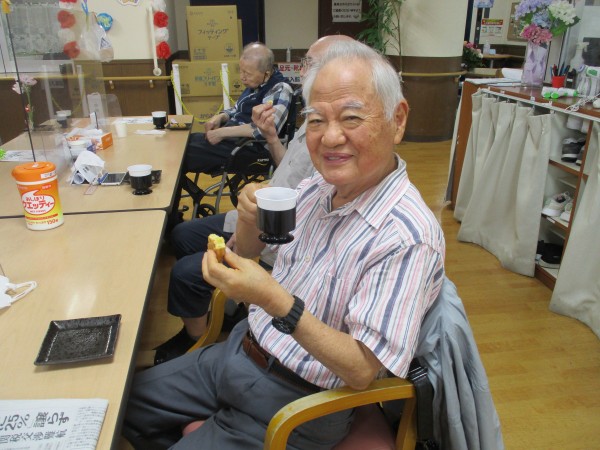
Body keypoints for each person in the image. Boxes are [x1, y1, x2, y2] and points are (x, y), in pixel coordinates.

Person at [123, 40, 446, 450]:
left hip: (297, 399)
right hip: (238, 351)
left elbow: (362, 370)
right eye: (316, 120)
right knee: (119, 407)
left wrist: (274, 300)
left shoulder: (406, 235)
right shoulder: (316, 188)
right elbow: (248, 253)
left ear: (397, 120)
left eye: (351, 118)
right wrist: (248, 220)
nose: (330, 137)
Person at [155, 35, 354, 366]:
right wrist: (273, 138)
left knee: (185, 273)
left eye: (308, 63)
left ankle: (198, 338)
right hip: (262, 213)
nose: (301, 70)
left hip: (273, 229)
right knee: (181, 235)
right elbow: (287, 169)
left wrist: (247, 235)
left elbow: (307, 212)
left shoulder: (331, 138)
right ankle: (216, 308)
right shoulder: (311, 120)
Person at [169, 42, 293, 226]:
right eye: (241, 71)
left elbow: (264, 128)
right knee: (180, 144)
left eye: (247, 73)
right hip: (234, 142)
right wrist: (221, 116)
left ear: (266, 73)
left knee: (178, 157)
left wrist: (222, 133)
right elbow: (237, 109)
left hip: (252, 149)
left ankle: (172, 218)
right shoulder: (256, 84)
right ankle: (184, 204)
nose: (242, 77)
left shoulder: (280, 89)